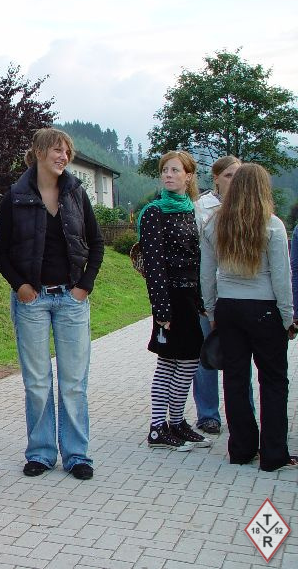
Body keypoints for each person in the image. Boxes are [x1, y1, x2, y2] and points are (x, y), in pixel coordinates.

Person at [0, 128, 104, 481]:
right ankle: (40, 453)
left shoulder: (76, 193)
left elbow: (96, 243)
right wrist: (21, 286)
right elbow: (0, 250)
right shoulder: (15, 196)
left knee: (74, 382)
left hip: (71, 299)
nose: (63, 156)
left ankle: (76, 455)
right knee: (37, 382)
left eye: (67, 151)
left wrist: (84, 287)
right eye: (57, 150)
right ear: (39, 152)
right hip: (33, 302)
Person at [200, 163, 297, 471]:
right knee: (273, 380)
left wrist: (211, 310)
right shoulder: (272, 225)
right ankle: (273, 454)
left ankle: (241, 449)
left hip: (228, 307)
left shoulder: (215, 224)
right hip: (265, 309)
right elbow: (282, 277)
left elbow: (207, 274)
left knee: (235, 378)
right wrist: (288, 317)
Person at [138, 150, 209, 451]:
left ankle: (176, 422)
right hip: (170, 296)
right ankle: (158, 427)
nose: (168, 175)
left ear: (189, 176)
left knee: (185, 360)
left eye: (175, 170)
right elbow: (153, 264)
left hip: (191, 295)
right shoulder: (154, 212)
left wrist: (203, 300)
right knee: (173, 360)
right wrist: (161, 309)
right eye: (165, 170)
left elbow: (200, 258)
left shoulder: (192, 210)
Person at [191, 156, 241, 434]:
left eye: (238, 175)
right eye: (229, 175)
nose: (234, 180)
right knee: (207, 355)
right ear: (217, 179)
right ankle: (208, 414)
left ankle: (242, 413)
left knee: (239, 357)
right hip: (208, 291)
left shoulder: (248, 207)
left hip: (239, 294)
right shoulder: (201, 208)